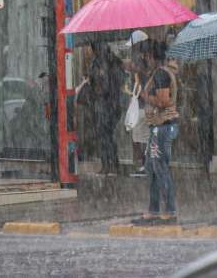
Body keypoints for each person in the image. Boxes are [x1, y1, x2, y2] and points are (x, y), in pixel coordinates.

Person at [132, 40, 180, 225]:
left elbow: (163, 101)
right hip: (159, 127)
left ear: (151, 56)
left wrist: (143, 95)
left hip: (162, 127)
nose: (143, 59)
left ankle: (169, 210)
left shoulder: (161, 74)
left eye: (145, 55)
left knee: (160, 168)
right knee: (152, 168)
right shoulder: (158, 73)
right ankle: (153, 210)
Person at [77, 43, 125, 176]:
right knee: (108, 136)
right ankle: (113, 164)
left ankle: (108, 164)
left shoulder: (101, 62)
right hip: (111, 104)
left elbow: (101, 85)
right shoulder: (113, 61)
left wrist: (96, 85)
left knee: (104, 136)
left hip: (104, 104)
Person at [126, 31, 151, 176]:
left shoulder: (140, 63)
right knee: (143, 136)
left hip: (141, 104)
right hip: (143, 104)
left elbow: (140, 84)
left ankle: (142, 165)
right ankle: (144, 164)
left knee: (139, 137)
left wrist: (135, 73)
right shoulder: (146, 61)